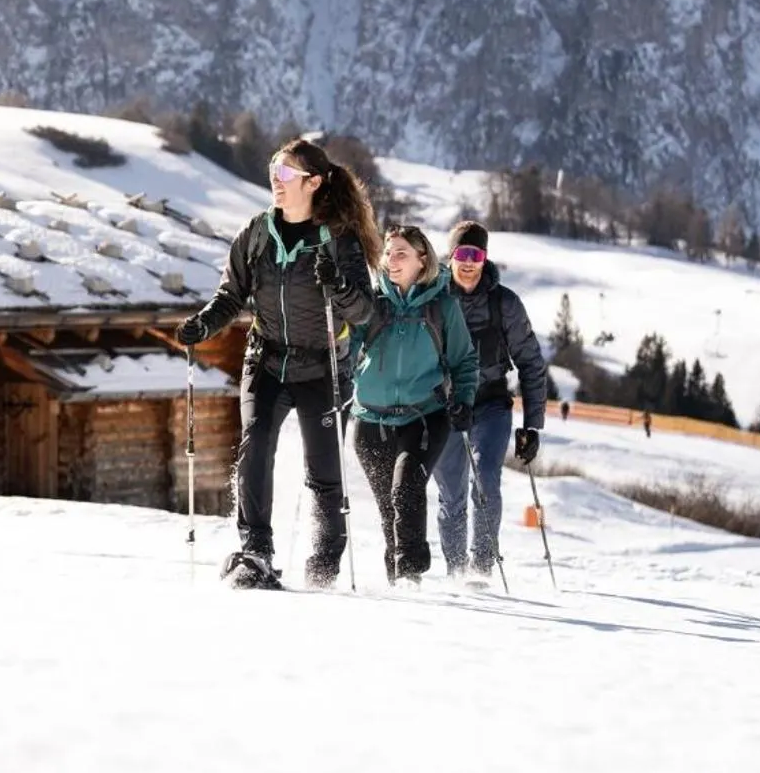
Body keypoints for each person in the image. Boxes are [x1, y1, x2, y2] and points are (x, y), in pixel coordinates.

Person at [177, 136, 379, 588]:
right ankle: (256, 552)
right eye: (273, 170)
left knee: (324, 471)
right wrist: (204, 325)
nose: (276, 179)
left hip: (323, 368)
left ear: (314, 182)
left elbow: (365, 311)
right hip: (266, 360)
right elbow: (231, 295)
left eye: (286, 172)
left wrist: (338, 285)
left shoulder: (338, 240)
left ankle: (324, 564)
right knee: (255, 445)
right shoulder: (256, 233)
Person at [350, 224, 478, 584]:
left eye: (401, 253)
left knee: (406, 490)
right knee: (388, 506)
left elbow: (465, 361)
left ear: (422, 260)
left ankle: (410, 573)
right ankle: (397, 578)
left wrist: (464, 400)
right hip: (370, 420)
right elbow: (346, 347)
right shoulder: (372, 303)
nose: (391, 260)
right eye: (388, 253)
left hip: (423, 416)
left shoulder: (443, 307)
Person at [430, 222, 546, 578]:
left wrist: (532, 426)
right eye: (462, 253)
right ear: (451, 256)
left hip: (490, 404)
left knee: (486, 479)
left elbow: (531, 361)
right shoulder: (434, 299)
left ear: (485, 258)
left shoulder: (504, 303)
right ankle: (456, 571)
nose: (469, 262)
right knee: (451, 493)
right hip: (446, 407)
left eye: (476, 254)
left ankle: (481, 567)